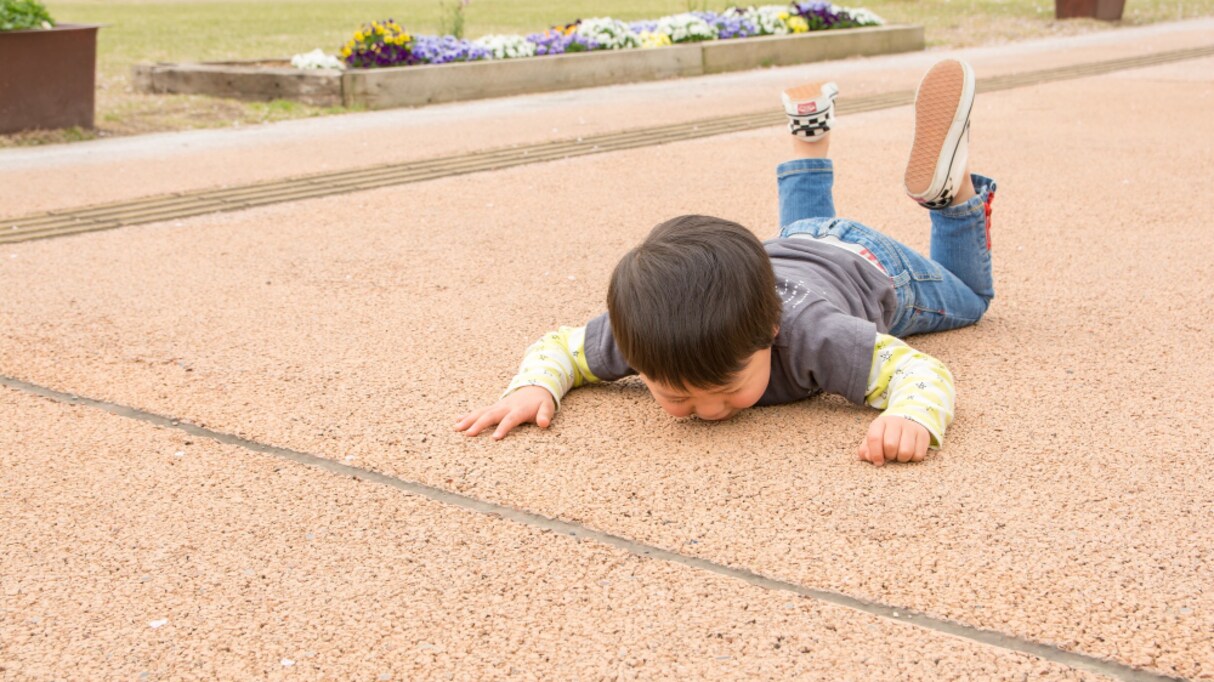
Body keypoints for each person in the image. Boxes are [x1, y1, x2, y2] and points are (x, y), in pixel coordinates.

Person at [456, 59, 997, 467]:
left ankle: (952, 200)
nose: (711, 411)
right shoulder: (650, 335)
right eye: (675, 394)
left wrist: (910, 413)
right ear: (639, 363)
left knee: (971, 301)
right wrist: (534, 387)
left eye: (729, 387)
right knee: (797, 232)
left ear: (772, 330)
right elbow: (561, 348)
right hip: (794, 243)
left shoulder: (817, 337)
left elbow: (918, 370)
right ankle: (809, 135)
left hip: (869, 263)